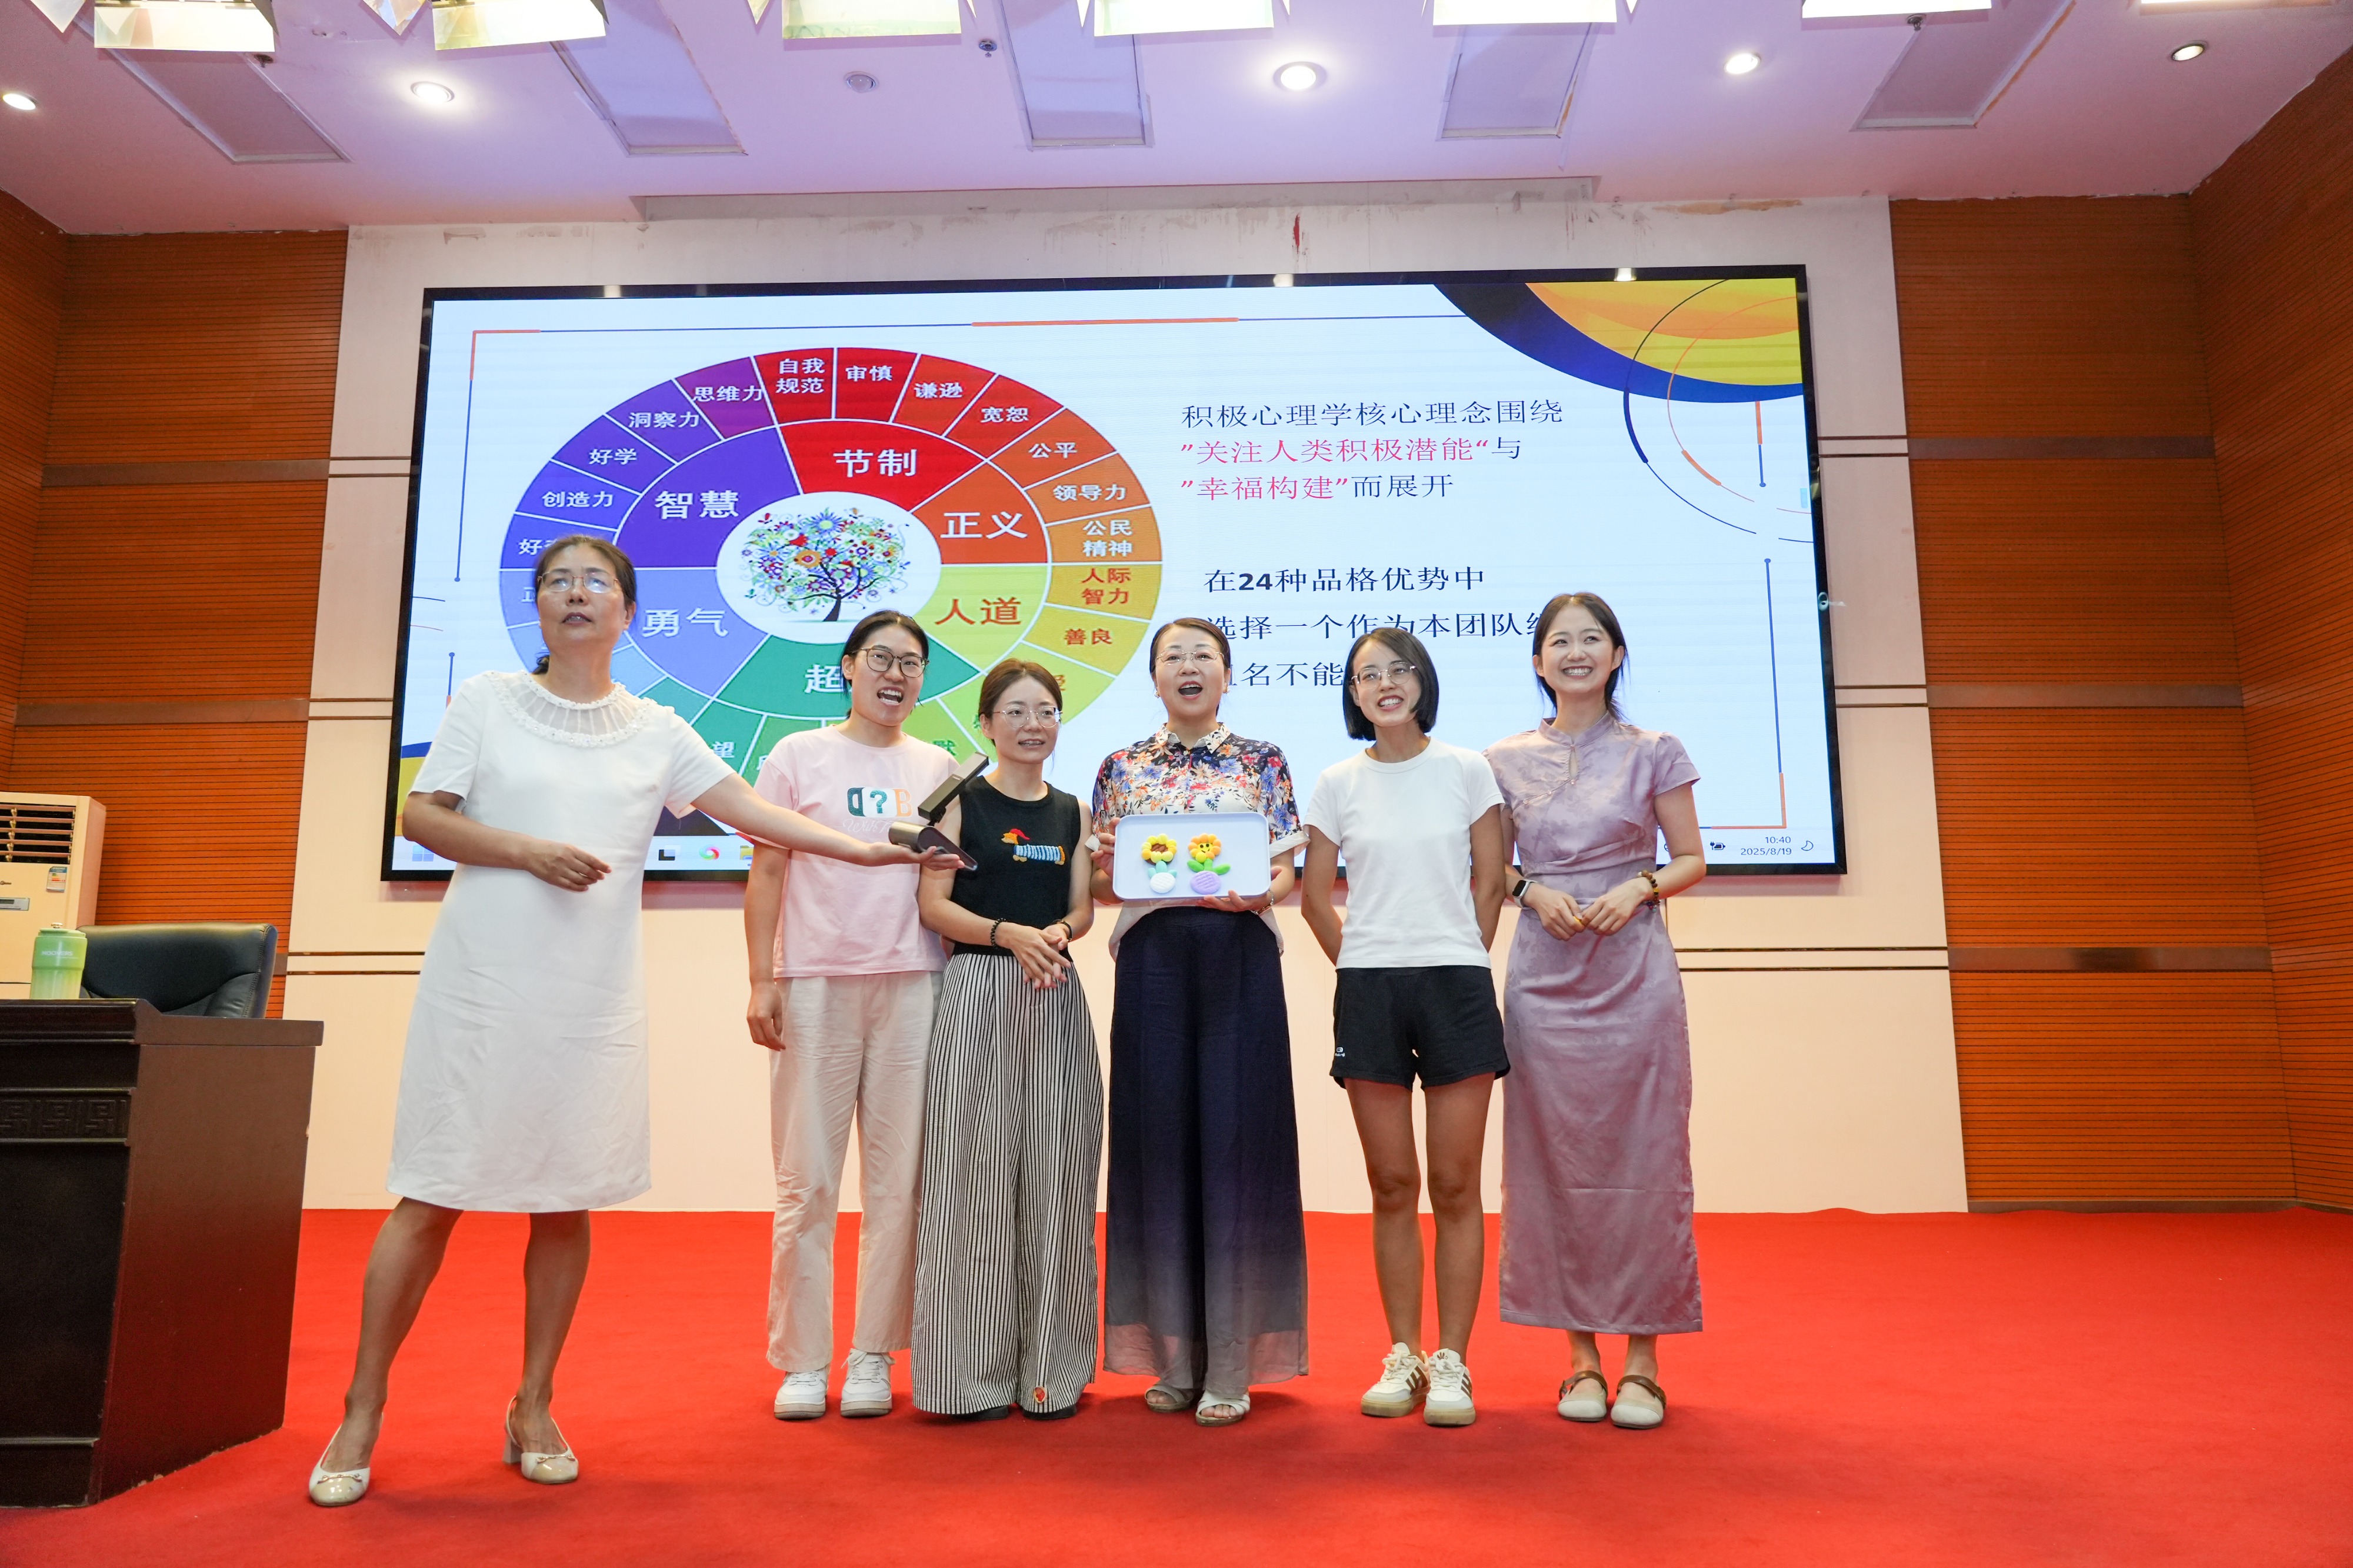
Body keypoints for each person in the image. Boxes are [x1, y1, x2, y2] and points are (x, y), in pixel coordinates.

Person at [307, 538, 945, 1507]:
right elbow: (422, 817)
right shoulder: (487, 700)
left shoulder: (656, 729)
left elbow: (752, 813)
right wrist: (527, 851)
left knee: (566, 1199)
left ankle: (533, 1405)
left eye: (596, 581)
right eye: (558, 581)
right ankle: (361, 1408)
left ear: (628, 611)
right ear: (538, 605)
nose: (577, 593)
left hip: (589, 997)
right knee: (430, 1193)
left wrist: (858, 851)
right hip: (481, 989)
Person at [1485, 592, 1707, 1431]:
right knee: (1552, 1156)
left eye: (1591, 639)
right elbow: (1489, 867)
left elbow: (1691, 858)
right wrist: (1529, 890)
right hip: (1544, 975)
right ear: (1538, 661)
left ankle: (1644, 1361)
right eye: (1559, 641)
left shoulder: (1656, 751)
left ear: (1616, 655)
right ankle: (1579, 1357)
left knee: (1648, 1155)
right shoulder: (1502, 759)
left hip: (1633, 969)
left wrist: (1639, 887)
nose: (1575, 652)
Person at [1088, 616, 1308, 1428]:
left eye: (1203, 656)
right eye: (1173, 657)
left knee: (1238, 1150)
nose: (1188, 667)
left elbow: (1285, 868)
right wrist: (1112, 868)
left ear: (1227, 673)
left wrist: (1261, 894)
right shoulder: (1121, 767)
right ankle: (1176, 1360)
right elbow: (1104, 882)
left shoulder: (1262, 759)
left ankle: (1232, 1364)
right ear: (1154, 678)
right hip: (1151, 964)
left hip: (1239, 959)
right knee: (1158, 1149)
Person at [747, 609, 961, 1421]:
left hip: (913, 983)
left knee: (899, 1182)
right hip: (815, 982)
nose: (895, 675)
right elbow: (768, 871)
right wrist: (762, 978)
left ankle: (873, 1352)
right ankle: (803, 1360)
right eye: (881, 658)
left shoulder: (938, 764)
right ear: (846, 665)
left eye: (911, 663)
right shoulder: (796, 754)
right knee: (806, 1181)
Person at [1299, 628, 1509, 1429]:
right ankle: (1404, 1353)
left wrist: (1460, 950)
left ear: (1422, 681)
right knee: (1391, 1183)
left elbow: (1489, 880)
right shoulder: (1337, 782)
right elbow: (1316, 898)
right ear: (1353, 695)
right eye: (1366, 676)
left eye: (1398, 670)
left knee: (1455, 1184)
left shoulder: (1466, 769)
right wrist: (1362, 963)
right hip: (1370, 990)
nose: (1384, 684)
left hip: (1456, 985)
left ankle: (1452, 1360)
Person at [909, 660, 1100, 1421]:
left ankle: (1051, 1373)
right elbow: (933, 905)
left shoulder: (1073, 810)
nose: (1032, 724)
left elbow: (1082, 908)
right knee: (972, 1180)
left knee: (1060, 1174)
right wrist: (1005, 934)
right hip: (978, 990)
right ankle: (968, 1379)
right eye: (1015, 710)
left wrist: (1056, 933)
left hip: (1053, 990)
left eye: (1045, 710)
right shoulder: (962, 802)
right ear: (987, 724)